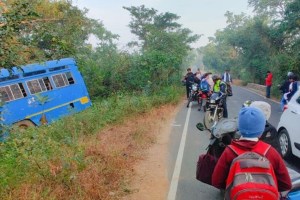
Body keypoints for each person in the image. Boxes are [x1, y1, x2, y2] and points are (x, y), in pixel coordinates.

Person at [212, 107, 292, 194]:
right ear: (261, 131)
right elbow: (286, 184)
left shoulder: (229, 152)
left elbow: (216, 181)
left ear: (239, 128)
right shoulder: (270, 152)